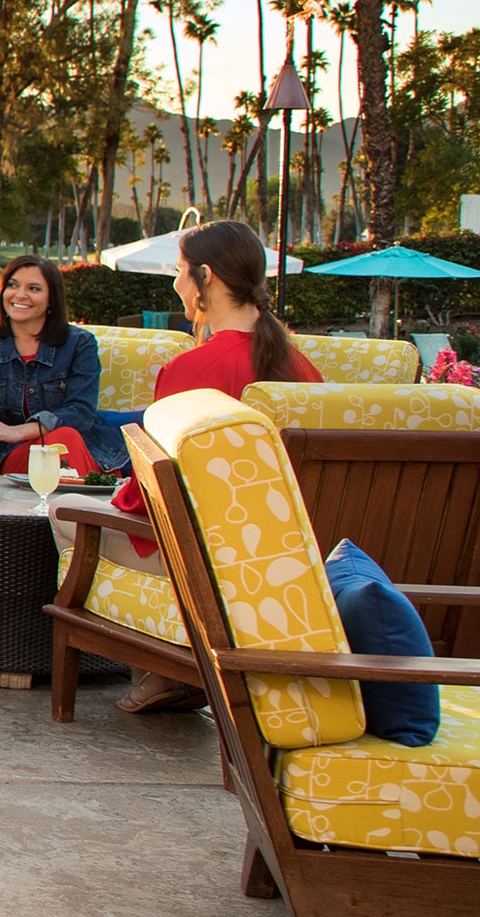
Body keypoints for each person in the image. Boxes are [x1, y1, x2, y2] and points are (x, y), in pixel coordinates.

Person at [50, 218, 322, 713]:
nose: (176, 284)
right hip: (286, 566)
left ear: (207, 278)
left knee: (63, 510)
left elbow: (146, 497)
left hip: (204, 566)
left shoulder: (190, 370)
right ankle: (166, 674)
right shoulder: (301, 370)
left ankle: (165, 665)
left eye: (178, 272)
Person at [0, 256, 124, 475]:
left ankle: (69, 507)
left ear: (51, 299)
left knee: (64, 439)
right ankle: (68, 508)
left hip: (79, 451)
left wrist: (17, 431)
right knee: (57, 447)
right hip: (11, 456)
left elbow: (81, 412)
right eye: (13, 285)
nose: (20, 295)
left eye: (34, 288)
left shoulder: (79, 344)